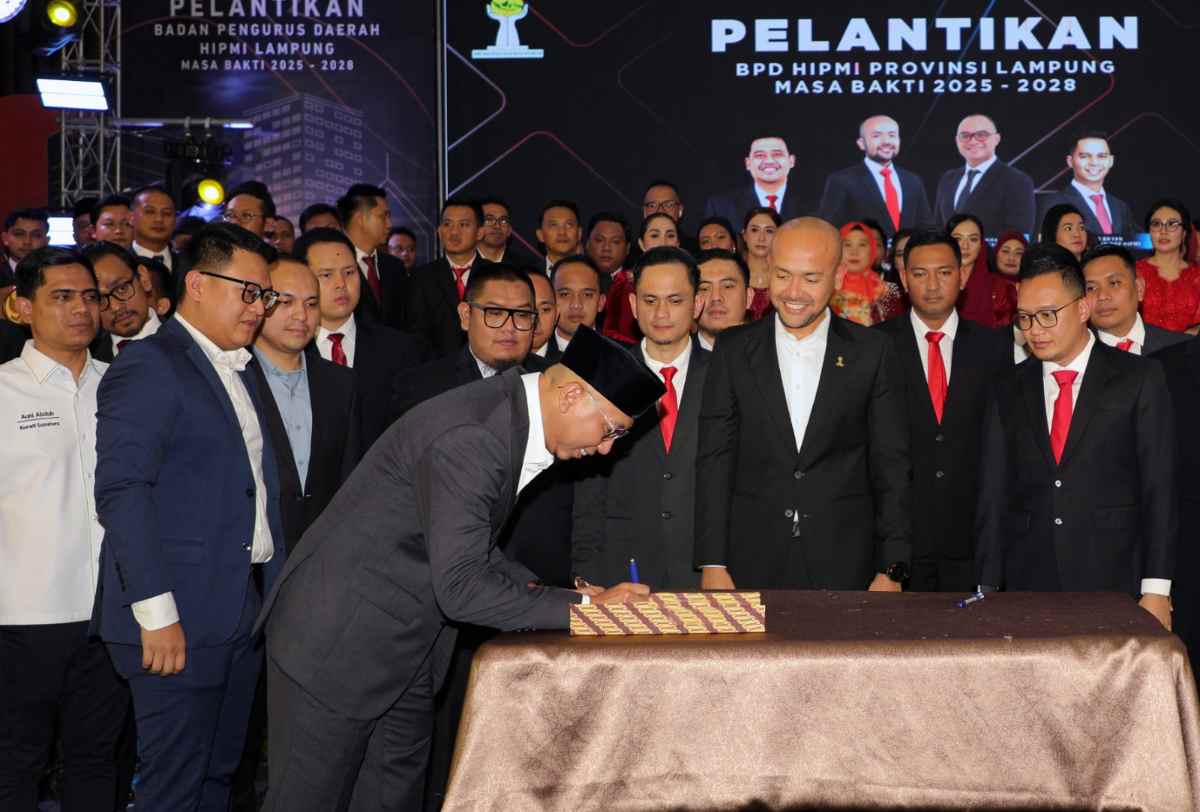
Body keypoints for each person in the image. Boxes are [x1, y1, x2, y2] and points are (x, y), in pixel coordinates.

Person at [258, 326, 661, 812]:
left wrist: (575, 596)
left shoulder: (505, 415)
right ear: (572, 395)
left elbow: (469, 548)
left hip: (404, 650)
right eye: (611, 429)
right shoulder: (475, 436)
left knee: (391, 800)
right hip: (336, 647)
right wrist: (585, 611)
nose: (607, 448)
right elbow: (462, 588)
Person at [93, 223, 286, 811]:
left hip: (238, 611)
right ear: (198, 284)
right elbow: (122, 491)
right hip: (173, 619)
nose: (259, 307)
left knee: (216, 779)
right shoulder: (151, 363)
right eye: (248, 292)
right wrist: (156, 614)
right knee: (172, 789)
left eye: (264, 295)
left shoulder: (240, 367)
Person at [694, 217, 911, 591]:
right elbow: (715, 459)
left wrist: (892, 569)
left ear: (838, 277)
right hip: (750, 558)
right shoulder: (733, 350)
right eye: (782, 275)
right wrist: (712, 561)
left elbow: (891, 466)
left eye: (810, 278)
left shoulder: (873, 352)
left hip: (846, 559)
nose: (794, 292)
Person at [976, 244, 1175, 632]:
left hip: (1116, 578)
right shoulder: (1007, 387)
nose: (1035, 330)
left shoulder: (1139, 378)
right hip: (1028, 581)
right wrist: (986, 587)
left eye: (1048, 315)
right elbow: (992, 494)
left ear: (1083, 308)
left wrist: (1156, 589)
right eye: (1025, 318)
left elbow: (1159, 490)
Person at [0, 248, 130, 812]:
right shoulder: (3, 391)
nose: (81, 308)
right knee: (14, 764)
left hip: (113, 613)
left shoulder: (124, 386)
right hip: (21, 616)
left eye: (90, 297)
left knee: (97, 760)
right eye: (62, 296)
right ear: (23, 307)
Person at [233, 255, 360, 812]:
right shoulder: (232, 379)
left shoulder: (341, 384)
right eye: (284, 302)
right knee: (239, 728)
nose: (301, 316)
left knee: (310, 735)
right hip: (246, 578)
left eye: (311, 303)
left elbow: (352, 484)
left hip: (322, 583)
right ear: (259, 304)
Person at [875, 231, 1011, 591]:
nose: (932, 285)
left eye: (944, 272)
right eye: (920, 274)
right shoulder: (875, 346)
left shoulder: (995, 348)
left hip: (972, 545)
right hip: (899, 546)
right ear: (904, 278)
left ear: (963, 276)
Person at [575, 245, 709, 589]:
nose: (661, 312)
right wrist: (586, 575)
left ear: (697, 304)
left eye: (675, 300)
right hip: (622, 572)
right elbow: (588, 491)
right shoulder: (604, 378)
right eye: (650, 300)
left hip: (705, 571)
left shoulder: (726, 376)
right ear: (634, 306)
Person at [295, 227, 429, 449]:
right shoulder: (290, 352)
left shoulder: (401, 350)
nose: (341, 284)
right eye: (326, 275)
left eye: (349, 272)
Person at [818, 114, 934, 237]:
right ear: (861, 143)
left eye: (892, 135)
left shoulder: (913, 181)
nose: (886, 141)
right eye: (877, 136)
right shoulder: (842, 181)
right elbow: (829, 230)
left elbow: (926, 227)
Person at [406, 198, 488, 356]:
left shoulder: (495, 274)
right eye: (447, 224)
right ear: (439, 231)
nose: (454, 232)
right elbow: (415, 334)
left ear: (480, 232)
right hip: (436, 366)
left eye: (463, 225)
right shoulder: (421, 278)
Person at [933, 114, 1036, 236]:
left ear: (996, 139)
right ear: (957, 141)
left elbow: (1018, 235)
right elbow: (938, 228)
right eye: (965, 136)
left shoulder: (1017, 181)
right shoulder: (948, 179)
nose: (973, 141)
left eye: (981, 135)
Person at [1083, 244, 1190, 356]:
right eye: (1091, 288)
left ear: (1139, 289)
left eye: (1114, 283)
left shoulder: (1182, 348)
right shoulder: (1077, 354)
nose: (1102, 296)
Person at [1037, 132, 1135, 238]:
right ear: (1070, 161)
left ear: (1111, 161)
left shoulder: (1120, 207)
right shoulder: (1053, 203)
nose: (1094, 163)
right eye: (1084, 156)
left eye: (1101, 156)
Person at [337, 183, 407, 330]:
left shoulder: (395, 267)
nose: (389, 224)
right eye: (383, 216)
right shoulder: (333, 264)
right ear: (360, 219)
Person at [84, 242, 161, 363]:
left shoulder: (187, 339)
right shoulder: (89, 361)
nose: (115, 307)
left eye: (122, 289)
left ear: (143, 279)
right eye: (99, 299)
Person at [705, 136, 803, 225]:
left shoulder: (810, 203)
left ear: (791, 161)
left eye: (777, 154)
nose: (769, 161)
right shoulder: (721, 207)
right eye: (760, 155)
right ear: (748, 163)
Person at [1136, 199, 1200, 333]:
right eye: (1156, 224)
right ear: (1149, 232)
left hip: (1191, 345)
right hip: (1144, 345)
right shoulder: (1133, 273)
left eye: (1172, 224)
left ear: (1184, 233)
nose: (1163, 231)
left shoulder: (1197, 276)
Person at [831, 220, 903, 326]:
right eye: (847, 245)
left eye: (862, 245)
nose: (854, 252)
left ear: (872, 250)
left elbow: (896, 328)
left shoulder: (888, 291)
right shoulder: (827, 288)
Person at [950, 213, 1015, 328]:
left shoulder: (1001, 288)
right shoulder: (934, 283)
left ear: (981, 244)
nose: (965, 246)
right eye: (957, 239)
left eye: (973, 239)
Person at [696, 248, 750, 350]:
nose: (716, 297)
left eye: (727, 286)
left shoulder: (772, 353)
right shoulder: (676, 357)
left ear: (749, 297)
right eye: (704, 288)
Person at [551, 254, 606, 354]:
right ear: (551, 301)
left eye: (587, 295)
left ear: (601, 303)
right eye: (565, 294)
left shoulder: (624, 357)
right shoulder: (531, 355)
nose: (576, 305)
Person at [742, 206, 781, 321]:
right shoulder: (732, 274)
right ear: (744, 235)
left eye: (769, 231)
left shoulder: (786, 276)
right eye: (754, 230)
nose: (761, 238)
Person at [130, 185, 179, 274]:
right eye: (150, 212)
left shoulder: (190, 265)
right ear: (131, 218)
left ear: (175, 220)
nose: (159, 219)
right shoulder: (117, 263)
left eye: (167, 213)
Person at [477, 197, 535, 267]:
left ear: (509, 230)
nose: (497, 226)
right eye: (489, 220)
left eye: (503, 221)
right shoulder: (466, 262)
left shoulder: (527, 266)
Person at [536, 199, 582, 272]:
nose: (562, 232)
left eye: (569, 225)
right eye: (553, 225)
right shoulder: (527, 275)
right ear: (540, 235)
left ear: (579, 233)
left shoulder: (593, 275)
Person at [2, 208, 50, 279]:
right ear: (5, 238)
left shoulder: (58, 275)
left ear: (46, 241)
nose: (27, 242)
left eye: (36, 235)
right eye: (19, 234)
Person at [529, 270, 560, 360]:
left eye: (545, 309)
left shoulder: (570, 365)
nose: (536, 322)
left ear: (557, 314)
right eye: (527, 311)